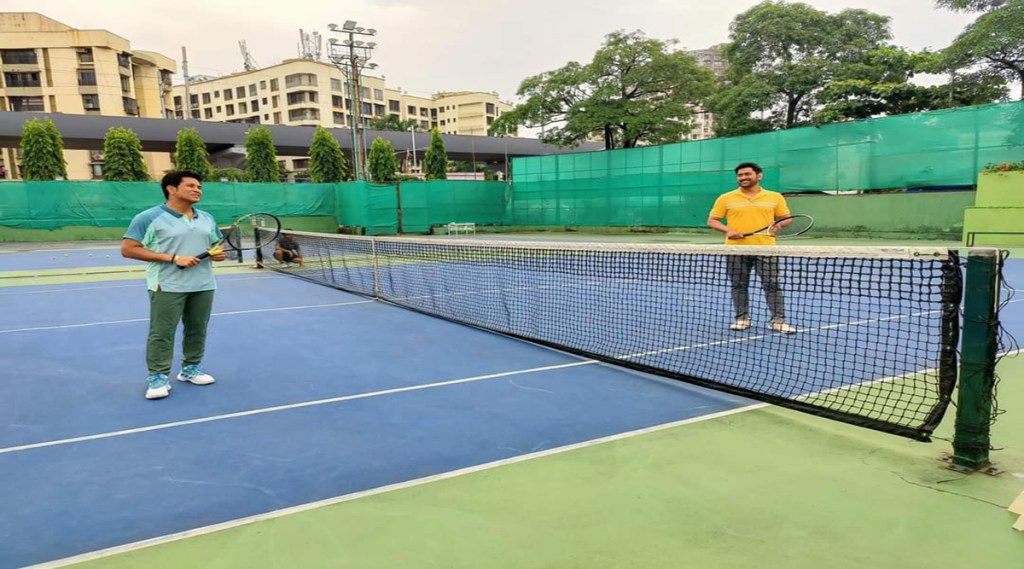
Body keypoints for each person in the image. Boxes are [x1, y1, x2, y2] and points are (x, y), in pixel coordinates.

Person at [122, 171, 227, 399]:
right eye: (190, 185)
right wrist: (172, 258)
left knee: (197, 329)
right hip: (166, 284)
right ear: (171, 189)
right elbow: (128, 249)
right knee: (162, 333)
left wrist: (218, 255)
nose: (197, 189)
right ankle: (158, 377)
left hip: (204, 284)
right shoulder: (148, 218)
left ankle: (190, 368)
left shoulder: (207, 218)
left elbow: (217, 245)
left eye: (199, 186)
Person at [707, 162, 796, 334]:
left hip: (766, 249)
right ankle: (742, 319)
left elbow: (787, 218)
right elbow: (712, 220)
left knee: (772, 284)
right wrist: (728, 230)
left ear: (759, 175)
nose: (743, 178)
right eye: (740, 175)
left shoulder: (775, 197)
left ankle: (778, 321)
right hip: (736, 250)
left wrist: (778, 225)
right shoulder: (726, 198)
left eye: (747, 174)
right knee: (738, 285)